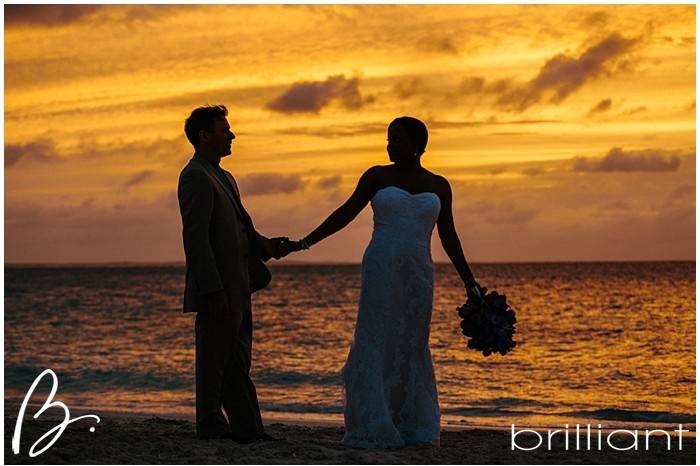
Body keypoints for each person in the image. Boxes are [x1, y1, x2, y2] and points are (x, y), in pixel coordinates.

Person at [280, 116, 482, 448]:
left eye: (397, 140)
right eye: (388, 139)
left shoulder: (439, 185)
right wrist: (304, 243)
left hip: (418, 272)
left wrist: (469, 281)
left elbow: (448, 235)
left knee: (412, 342)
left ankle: (411, 421)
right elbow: (345, 213)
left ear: (418, 145)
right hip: (381, 266)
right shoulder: (376, 176)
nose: (389, 145)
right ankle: (375, 420)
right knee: (374, 338)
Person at [177, 105, 286, 443]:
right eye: (225, 130)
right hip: (220, 290)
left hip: (238, 287)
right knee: (213, 361)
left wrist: (270, 245)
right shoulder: (195, 176)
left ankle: (247, 428)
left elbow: (243, 231)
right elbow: (195, 240)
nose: (232, 135)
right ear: (204, 136)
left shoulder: (223, 176)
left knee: (237, 361)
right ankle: (209, 423)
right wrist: (213, 291)